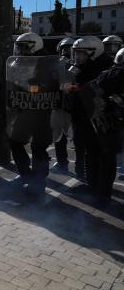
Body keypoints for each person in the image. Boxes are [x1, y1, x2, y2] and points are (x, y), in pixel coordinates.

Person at [6, 33, 56, 195]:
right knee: (14, 140)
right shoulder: (18, 62)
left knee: (39, 147)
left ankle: (39, 182)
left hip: (42, 112)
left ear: (34, 46)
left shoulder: (47, 63)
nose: (19, 50)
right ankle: (26, 174)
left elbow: (54, 86)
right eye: (18, 46)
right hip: (24, 109)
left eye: (23, 46)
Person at [67, 36, 107, 182]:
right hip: (79, 113)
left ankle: (92, 182)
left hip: (94, 115)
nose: (78, 57)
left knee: (93, 150)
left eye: (81, 53)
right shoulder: (82, 67)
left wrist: (75, 88)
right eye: (76, 53)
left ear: (93, 52)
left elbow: (95, 89)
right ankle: (81, 177)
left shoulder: (103, 67)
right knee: (80, 147)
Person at [91, 48, 124, 203]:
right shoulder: (111, 74)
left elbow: (93, 96)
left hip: (110, 123)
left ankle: (103, 196)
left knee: (108, 160)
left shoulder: (107, 74)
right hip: (114, 121)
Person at [52, 37, 76, 173]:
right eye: (64, 49)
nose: (66, 52)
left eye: (70, 49)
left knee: (77, 138)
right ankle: (62, 162)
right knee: (59, 135)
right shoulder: (57, 64)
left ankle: (80, 166)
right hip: (59, 104)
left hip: (74, 106)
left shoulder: (79, 66)